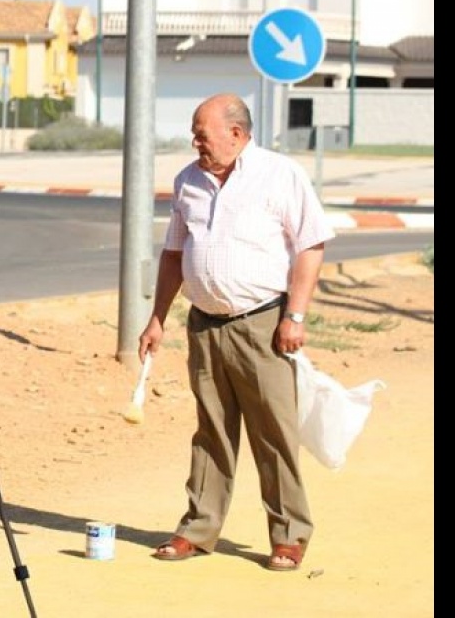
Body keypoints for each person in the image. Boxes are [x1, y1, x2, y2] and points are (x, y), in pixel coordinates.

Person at [137, 92, 335, 573]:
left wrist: (297, 316)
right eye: (194, 133)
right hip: (204, 326)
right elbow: (172, 255)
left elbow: (310, 245)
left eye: (201, 133)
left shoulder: (279, 174)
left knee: (274, 433)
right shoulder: (188, 181)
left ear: (237, 134)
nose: (194, 141)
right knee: (211, 432)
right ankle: (198, 529)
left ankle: (289, 535)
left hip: (264, 324)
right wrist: (158, 317)